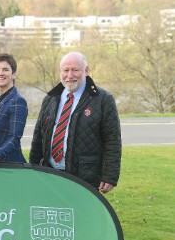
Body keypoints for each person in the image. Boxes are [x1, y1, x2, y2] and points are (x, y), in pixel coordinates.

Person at [29, 52, 121, 193]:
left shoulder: (103, 99)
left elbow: (112, 140)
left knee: (82, 214)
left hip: (85, 177)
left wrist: (110, 176)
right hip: (50, 173)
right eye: (65, 70)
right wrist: (33, 169)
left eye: (75, 70)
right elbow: (38, 138)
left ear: (86, 71)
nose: (70, 75)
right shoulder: (50, 98)